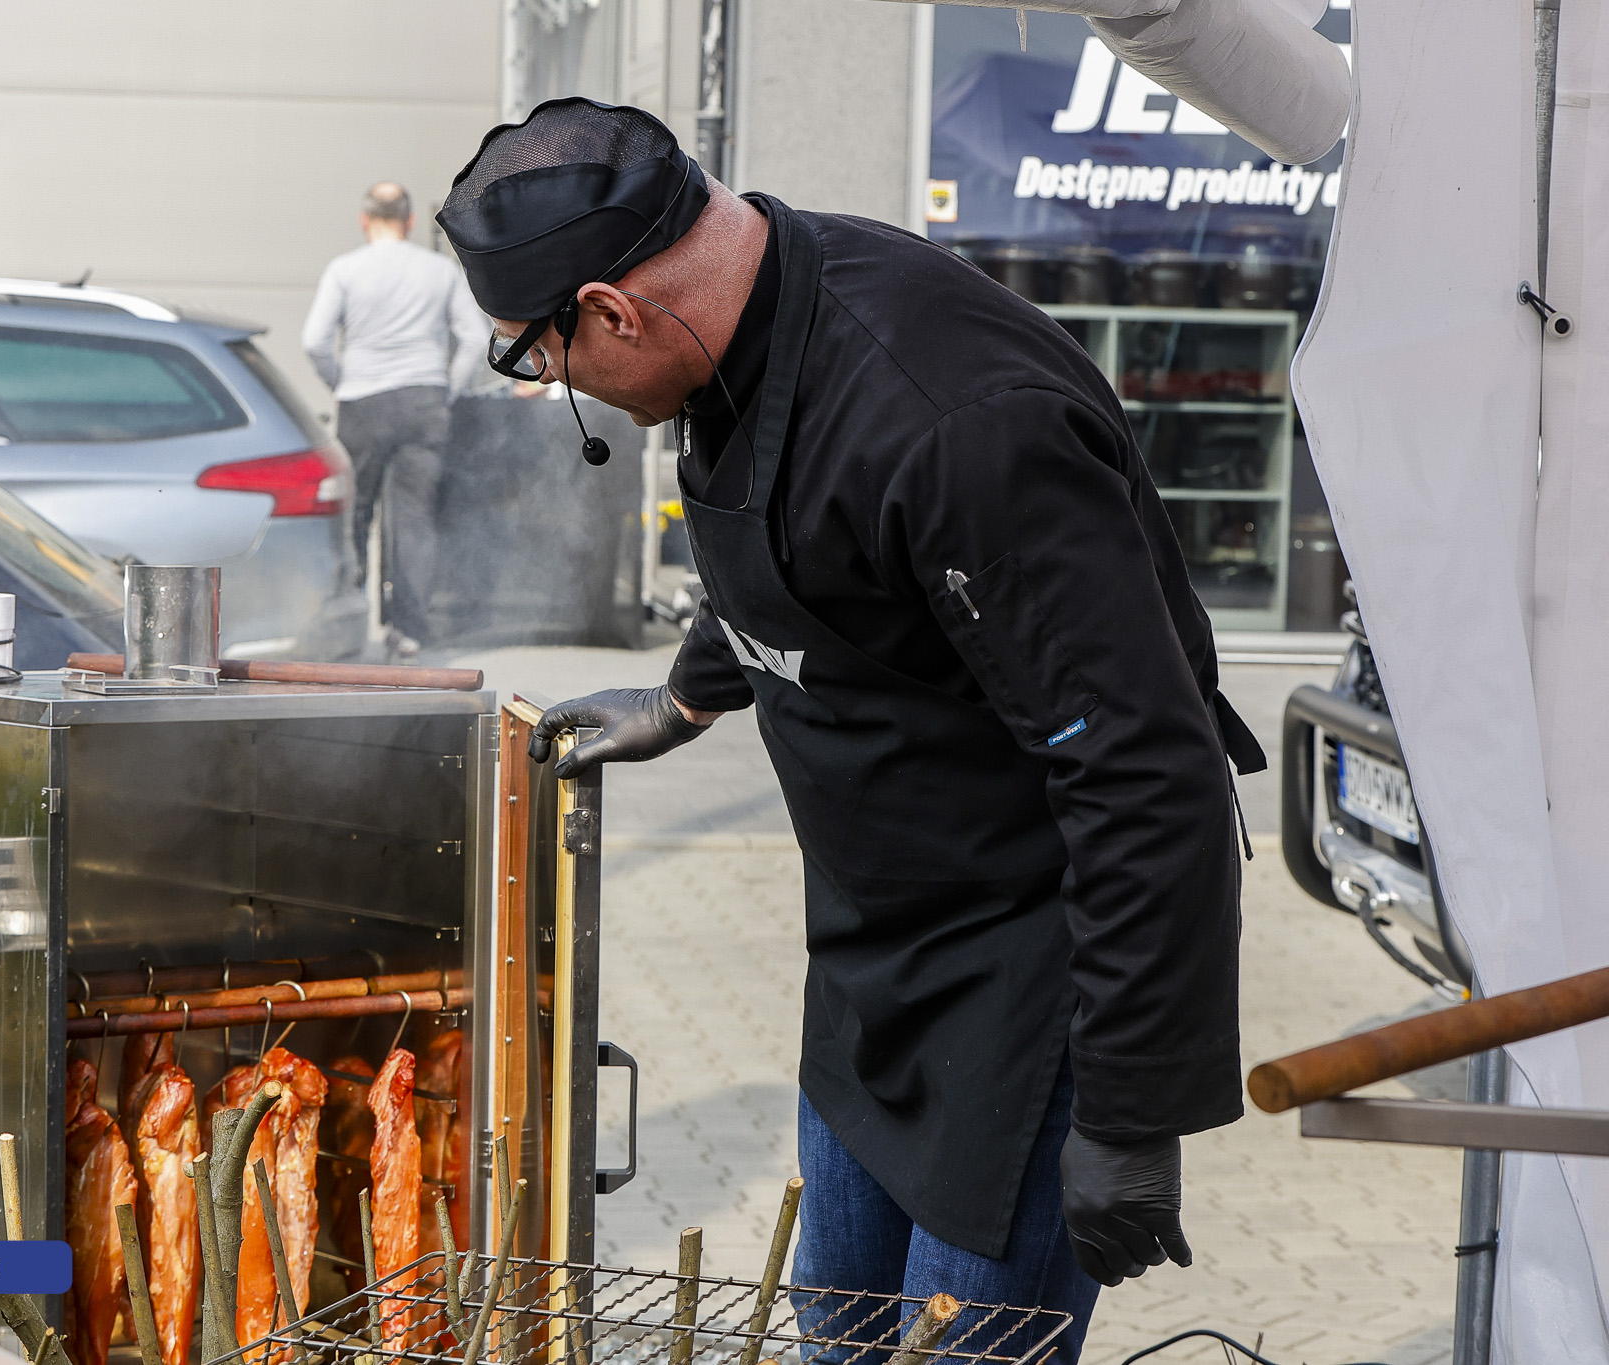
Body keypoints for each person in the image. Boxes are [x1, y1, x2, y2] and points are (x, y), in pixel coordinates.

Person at [436, 100, 1266, 1361]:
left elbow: (1146, 771)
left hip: (1035, 977)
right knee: (835, 1337)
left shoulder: (956, 423)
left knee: (949, 1349)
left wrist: (1133, 1111)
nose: (549, 383)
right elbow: (796, 544)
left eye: (535, 357)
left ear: (611, 310)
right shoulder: (741, 319)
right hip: (874, 957)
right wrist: (684, 698)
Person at [302, 181, 489, 657]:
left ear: (364, 220)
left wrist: (341, 383)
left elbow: (314, 341)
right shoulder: (440, 271)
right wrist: (447, 388)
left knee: (355, 513)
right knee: (414, 519)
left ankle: (349, 623)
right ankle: (410, 631)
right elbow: (475, 337)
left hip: (362, 402)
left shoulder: (345, 270)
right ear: (409, 221)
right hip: (423, 401)